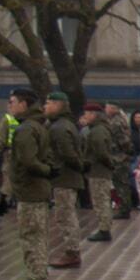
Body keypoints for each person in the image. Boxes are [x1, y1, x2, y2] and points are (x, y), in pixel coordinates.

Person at [6, 88, 53, 280]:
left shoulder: (26, 129)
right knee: (37, 236)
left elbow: (27, 162)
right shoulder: (39, 125)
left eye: (13, 101)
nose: (10, 106)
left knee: (31, 237)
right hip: (36, 190)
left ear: (24, 104)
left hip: (30, 191)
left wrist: (46, 171)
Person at [44, 90, 84, 269]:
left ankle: (72, 252)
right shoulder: (64, 124)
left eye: (49, 103)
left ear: (58, 105)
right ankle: (71, 250)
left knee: (65, 215)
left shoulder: (60, 127)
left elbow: (68, 154)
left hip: (64, 178)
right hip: (66, 177)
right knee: (65, 214)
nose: (45, 106)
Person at [81, 102, 117, 243]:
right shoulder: (99, 129)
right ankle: (104, 228)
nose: (85, 116)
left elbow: (101, 152)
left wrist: (108, 164)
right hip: (99, 170)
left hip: (99, 171)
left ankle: (104, 229)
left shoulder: (98, 130)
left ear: (93, 114)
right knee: (101, 200)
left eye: (87, 113)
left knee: (100, 201)